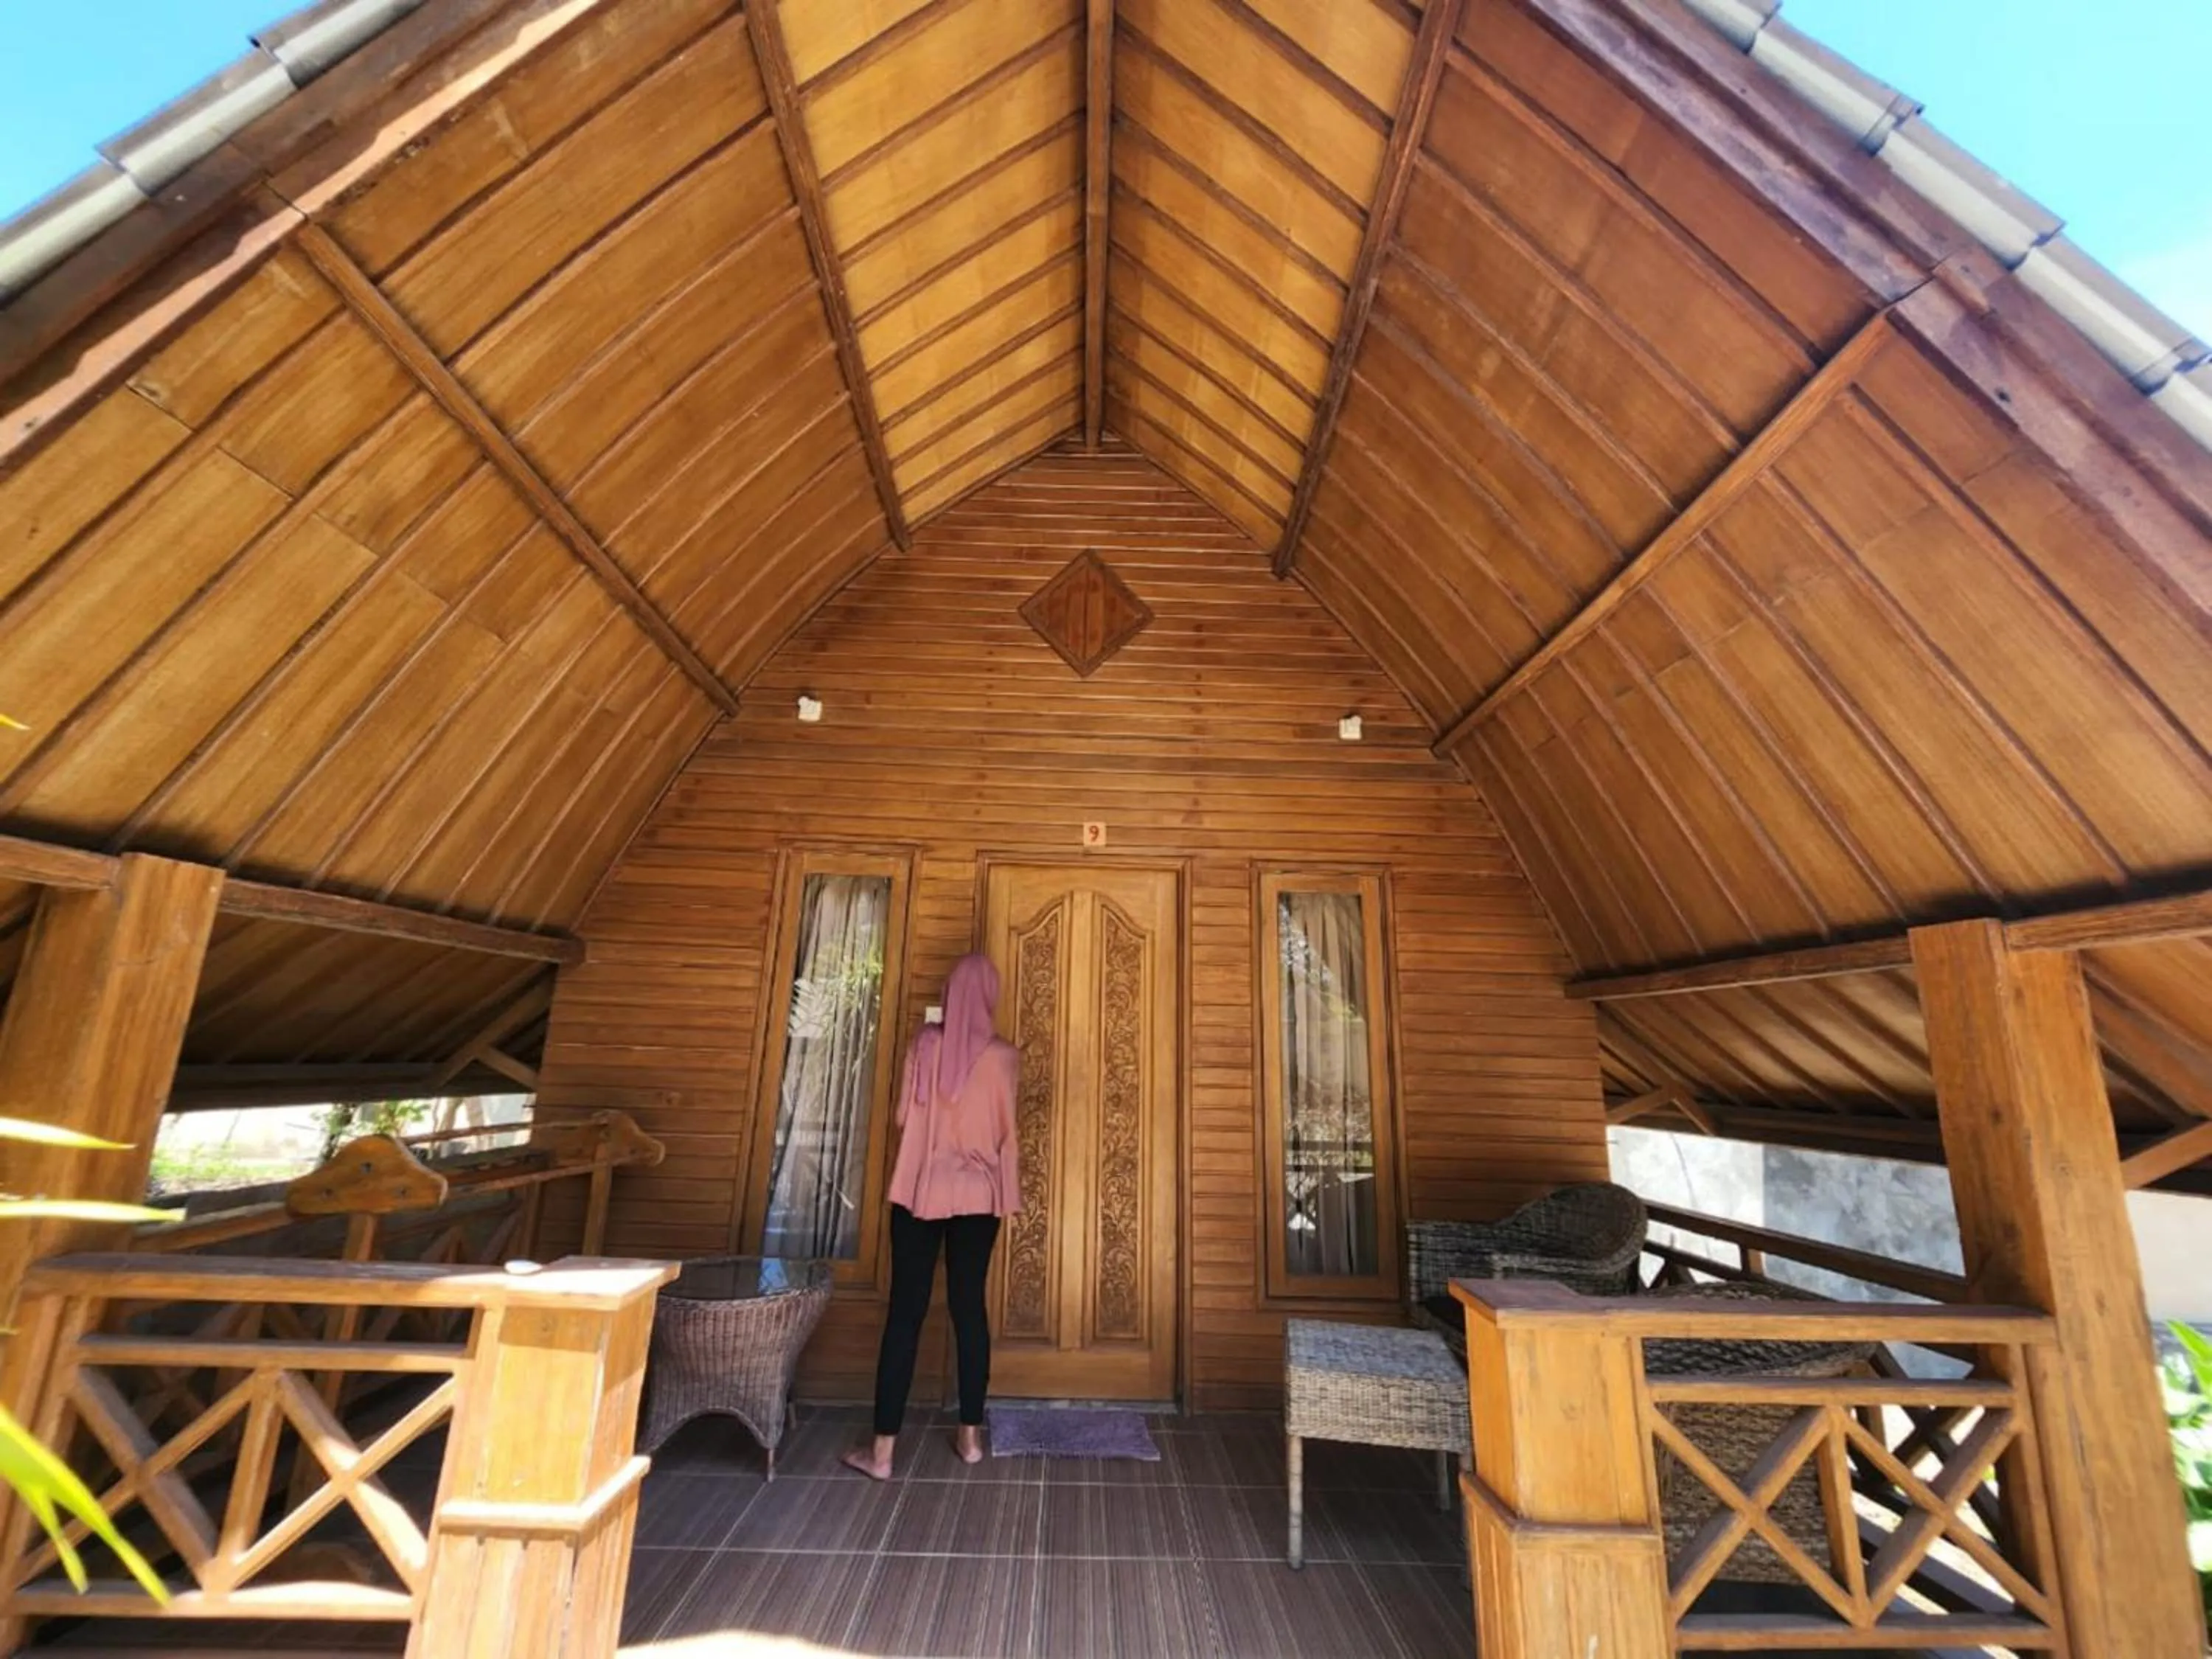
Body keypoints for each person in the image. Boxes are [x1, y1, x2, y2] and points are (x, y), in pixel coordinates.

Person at [844, 953, 1021, 1478]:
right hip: (977, 1199)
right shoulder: (1005, 1057)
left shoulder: (924, 1046)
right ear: (990, 996)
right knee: (970, 1310)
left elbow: (903, 1117)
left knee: (906, 1313)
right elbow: (1007, 1135)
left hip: (921, 1194)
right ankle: (969, 1439)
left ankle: (881, 1453)